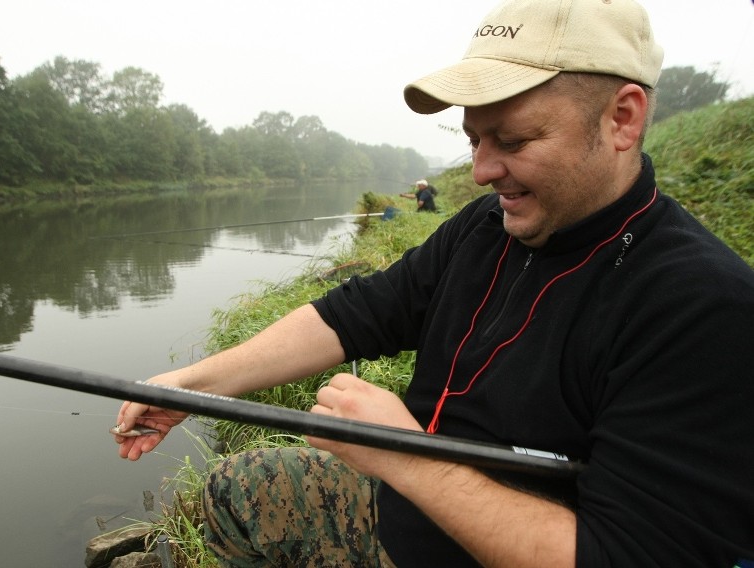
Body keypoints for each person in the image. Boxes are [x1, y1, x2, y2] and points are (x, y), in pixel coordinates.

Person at [113, 0, 754, 566]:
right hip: (403, 516)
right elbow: (356, 314)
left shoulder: (701, 306)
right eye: (475, 139)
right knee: (239, 487)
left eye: (513, 139)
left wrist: (402, 453)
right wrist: (190, 387)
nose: (480, 172)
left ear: (622, 118)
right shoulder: (486, 225)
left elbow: (623, 555)